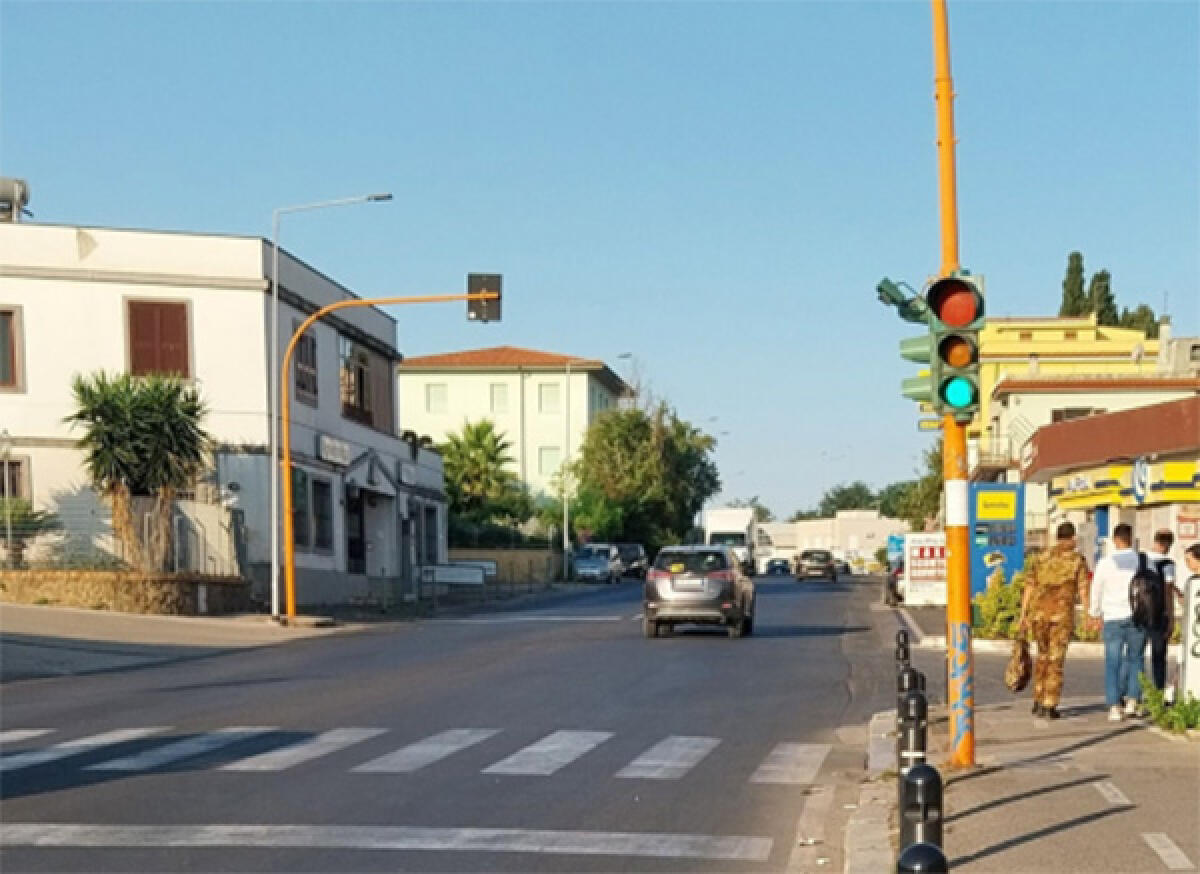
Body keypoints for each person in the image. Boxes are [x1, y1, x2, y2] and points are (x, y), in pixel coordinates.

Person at [1017, 521, 1089, 720]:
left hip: (1038, 615)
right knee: (1055, 660)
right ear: (1073, 537)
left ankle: (1037, 700)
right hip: (1061, 616)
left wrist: (1023, 615)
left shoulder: (1041, 557)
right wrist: (1088, 614)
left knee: (1042, 656)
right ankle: (1049, 703)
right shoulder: (1077, 560)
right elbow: (1083, 589)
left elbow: (1029, 587)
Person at [1089, 523, 1147, 721]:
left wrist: (1094, 613)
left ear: (1115, 540)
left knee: (1113, 662)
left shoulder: (1105, 563)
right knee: (1136, 659)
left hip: (1113, 617)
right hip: (1138, 617)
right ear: (1131, 539)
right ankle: (1132, 700)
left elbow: (1096, 589)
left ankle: (1114, 706)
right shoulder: (1142, 561)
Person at [1146, 529, 1177, 695]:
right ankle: (1158, 691)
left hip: (1139, 614)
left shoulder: (1141, 559)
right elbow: (1167, 591)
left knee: (1134, 656)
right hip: (1158, 615)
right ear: (1167, 545)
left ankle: (1129, 696)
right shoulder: (1168, 564)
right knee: (1158, 656)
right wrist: (1171, 618)